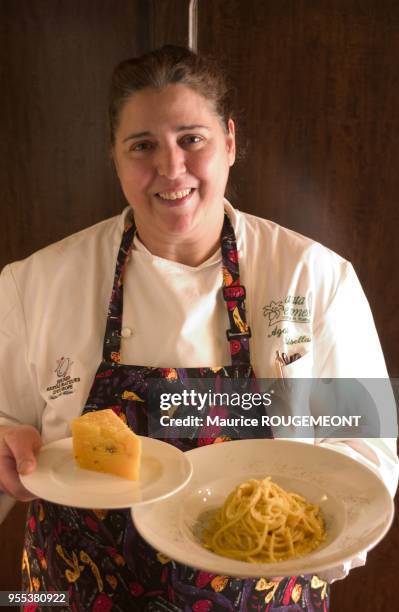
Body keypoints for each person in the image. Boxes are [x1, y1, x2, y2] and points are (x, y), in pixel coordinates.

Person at [0, 45, 397, 611]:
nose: (171, 168)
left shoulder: (316, 278)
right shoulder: (34, 283)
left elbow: (371, 457)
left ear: (230, 142)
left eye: (192, 138)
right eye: (142, 146)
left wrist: (299, 553)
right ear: (113, 157)